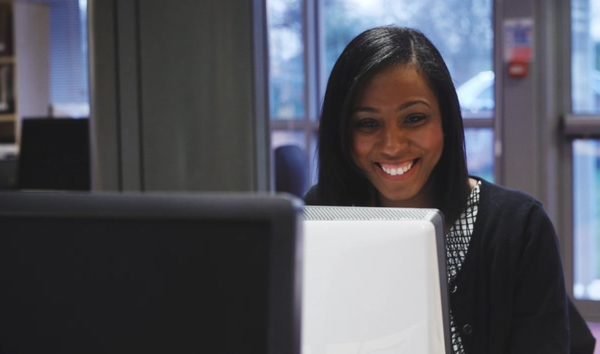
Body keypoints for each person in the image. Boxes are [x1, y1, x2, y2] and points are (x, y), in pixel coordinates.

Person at [304, 26, 595, 354]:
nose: (393, 145)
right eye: (368, 124)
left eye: (414, 119)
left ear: (446, 122)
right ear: (342, 133)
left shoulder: (518, 227)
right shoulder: (323, 214)